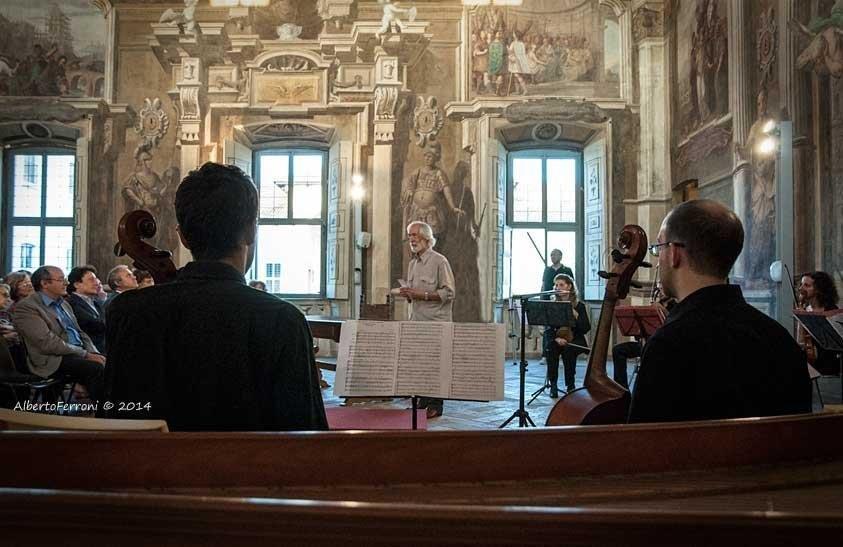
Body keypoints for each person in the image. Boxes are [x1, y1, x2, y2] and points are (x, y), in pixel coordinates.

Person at [104, 162, 327, 431]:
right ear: (250, 231)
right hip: (252, 471)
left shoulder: (128, 312)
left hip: (152, 471)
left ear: (183, 237)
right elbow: (305, 434)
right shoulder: (283, 319)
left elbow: (117, 419)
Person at [628, 199, 811, 423]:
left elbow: (641, 446)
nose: (657, 261)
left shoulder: (668, 346)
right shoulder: (781, 340)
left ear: (675, 253)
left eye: (658, 248)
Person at [12, 266, 105, 400]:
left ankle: (120, 410)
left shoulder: (64, 304)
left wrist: (94, 352)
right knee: (96, 368)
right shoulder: (27, 307)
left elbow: (80, 333)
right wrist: (85, 354)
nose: (67, 283)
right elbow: (47, 342)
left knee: (111, 362)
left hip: (75, 352)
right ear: (45, 283)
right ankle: (103, 415)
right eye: (61, 280)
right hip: (51, 359)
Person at [400, 221, 456, 418]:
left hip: (435, 324)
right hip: (417, 322)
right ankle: (421, 404)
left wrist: (421, 294)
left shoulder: (440, 261)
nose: (412, 239)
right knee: (420, 365)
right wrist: (408, 293)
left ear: (426, 237)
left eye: (415, 235)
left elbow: (449, 293)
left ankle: (435, 406)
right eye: (409, 236)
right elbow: (414, 293)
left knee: (435, 365)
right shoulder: (412, 264)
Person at [545, 274, 590, 397]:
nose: (558, 287)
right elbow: (548, 328)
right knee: (551, 348)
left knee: (569, 350)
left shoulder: (579, 306)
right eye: (556, 285)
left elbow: (586, 328)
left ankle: (570, 385)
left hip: (576, 339)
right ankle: (553, 385)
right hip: (558, 337)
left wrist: (577, 316)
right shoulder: (553, 305)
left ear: (569, 286)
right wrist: (556, 338)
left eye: (561, 284)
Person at [798, 271, 840, 375]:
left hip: (829, 363)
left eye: (807, 285)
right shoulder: (805, 309)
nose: (801, 289)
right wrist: (800, 312)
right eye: (801, 285)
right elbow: (801, 341)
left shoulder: (831, 310)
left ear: (819, 290)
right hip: (811, 361)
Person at [541, 249, 574, 364]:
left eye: (555, 254)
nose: (552, 257)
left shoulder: (567, 270)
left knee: (564, 327)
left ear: (560, 256)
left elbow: (572, 284)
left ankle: (563, 352)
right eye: (551, 255)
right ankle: (545, 354)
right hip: (549, 301)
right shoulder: (547, 270)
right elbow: (544, 284)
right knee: (548, 328)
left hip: (563, 302)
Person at [67, 266, 107, 354]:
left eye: (96, 279)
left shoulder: (96, 301)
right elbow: (96, 325)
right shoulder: (72, 303)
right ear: (77, 284)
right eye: (91, 280)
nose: (97, 283)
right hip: (91, 349)